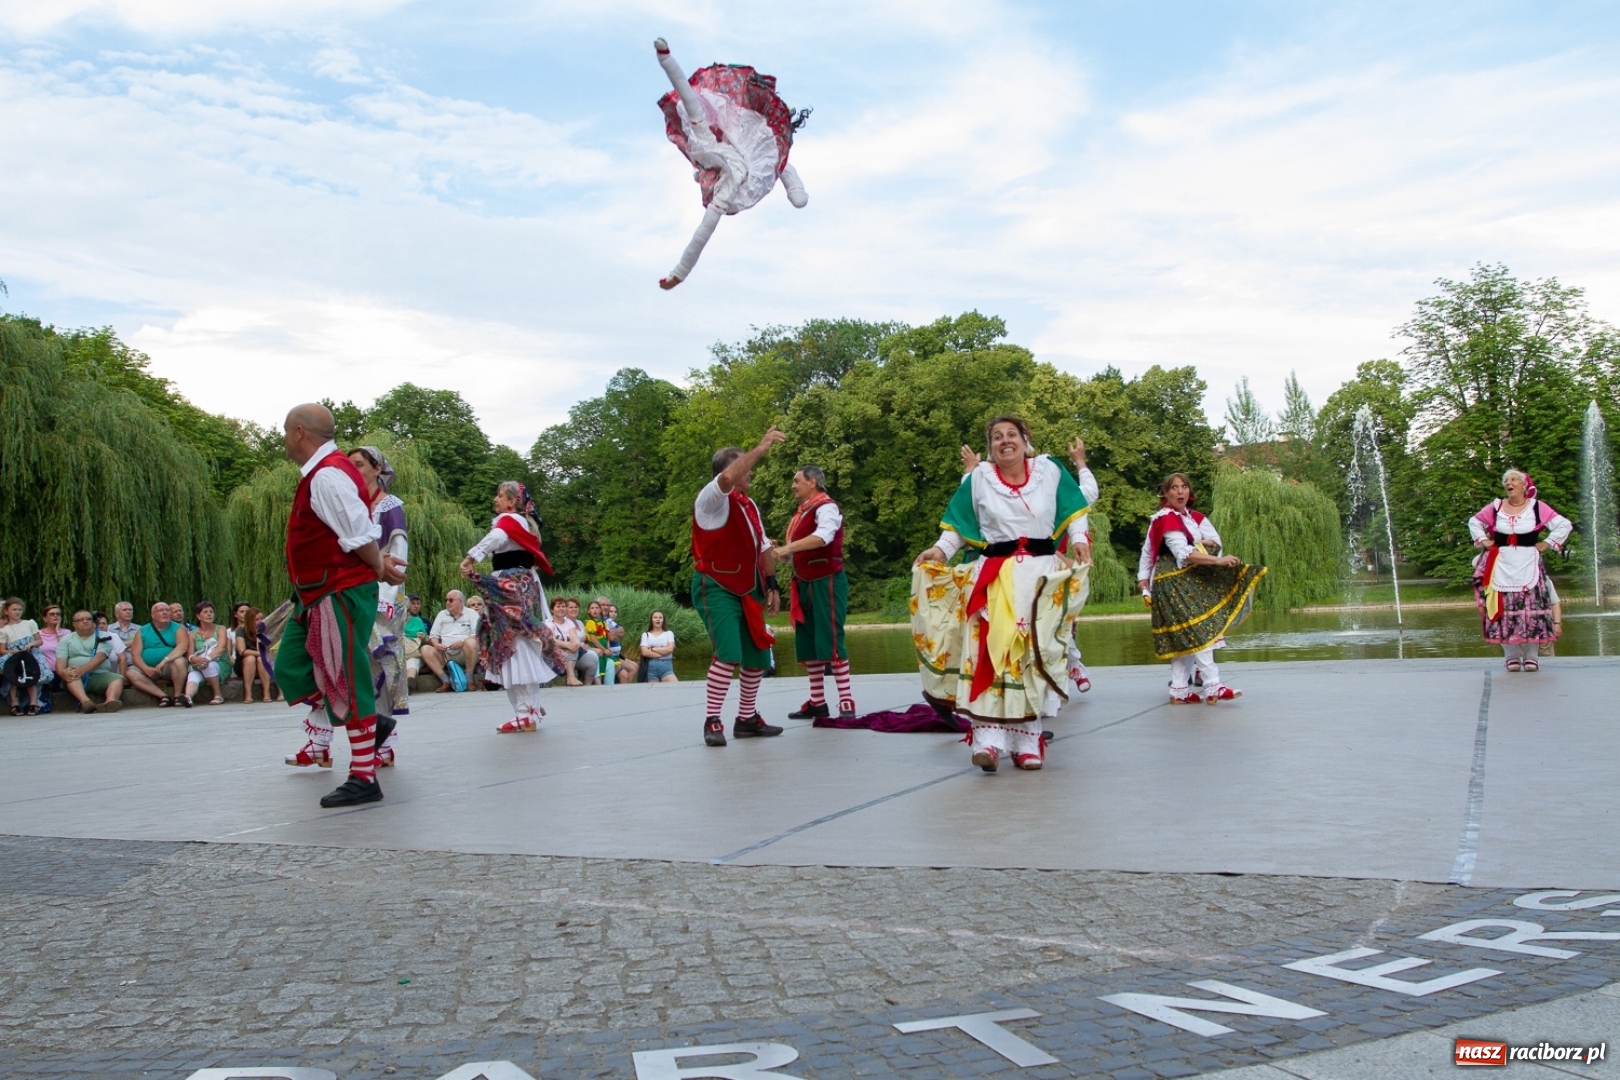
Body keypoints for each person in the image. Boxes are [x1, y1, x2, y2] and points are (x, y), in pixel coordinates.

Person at [913, 416, 1092, 772]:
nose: (1005, 441)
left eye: (1012, 434)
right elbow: (959, 526)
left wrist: (1079, 539)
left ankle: (1027, 742)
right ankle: (987, 742)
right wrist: (940, 550)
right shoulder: (979, 477)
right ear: (991, 446)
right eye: (997, 437)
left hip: (1040, 578)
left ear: (1026, 441)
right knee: (991, 656)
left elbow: (1075, 509)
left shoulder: (1049, 470)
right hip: (995, 577)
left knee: (1032, 658)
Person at [274, 402, 405, 808]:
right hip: (315, 594)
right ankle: (370, 721)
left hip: (338, 591)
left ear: (299, 432)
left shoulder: (328, 475)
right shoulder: (323, 472)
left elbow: (359, 532)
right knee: (291, 667)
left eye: (286, 431)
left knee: (345, 676)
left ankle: (364, 775)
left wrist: (379, 566)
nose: (284, 439)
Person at [691, 428, 786, 747]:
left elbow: (763, 545)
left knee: (758, 654)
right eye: (745, 464)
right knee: (728, 654)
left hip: (747, 587)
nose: (751, 469)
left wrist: (771, 583)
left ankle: (746, 719)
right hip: (716, 584)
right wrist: (761, 447)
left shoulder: (748, 504)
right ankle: (712, 719)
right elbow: (729, 478)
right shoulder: (710, 499)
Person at [1137, 473, 1265, 704]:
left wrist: (1143, 578)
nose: (1180, 491)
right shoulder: (1167, 518)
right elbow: (1182, 553)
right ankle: (1213, 685)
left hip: (1178, 580)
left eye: (1184, 486)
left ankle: (1179, 690)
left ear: (1189, 491)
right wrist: (1217, 560)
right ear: (1165, 493)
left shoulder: (1185, 517)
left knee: (1185, 636)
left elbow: (1150, 551)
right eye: (1174, 487)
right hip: (1174, 582)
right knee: (1200, 631)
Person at [461, 480, 563, 732]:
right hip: (519, 583)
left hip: (510, 586)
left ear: (511, 502)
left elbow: (496, 537)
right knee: (520, 642)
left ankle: (525, 712)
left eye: (499, 495)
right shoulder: (521, 523)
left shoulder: (508, 521)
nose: (495, 499)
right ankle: (530, 707)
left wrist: (471, 557)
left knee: (512, 644)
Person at [773, 465, 855, 720]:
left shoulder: (827, 507)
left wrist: (788, 548)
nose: (793, 485)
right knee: (807, 641)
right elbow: (794, 555)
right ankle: (817, 702)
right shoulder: (802, 513)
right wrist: (779, 551)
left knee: (831, 637)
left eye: (796, 480)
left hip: (826, 580)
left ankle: (846, 701)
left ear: (812, 482)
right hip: (804, 582)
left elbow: (823, 537)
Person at [1469, 469, 1571, 672]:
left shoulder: (1537, 507)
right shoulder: (1496, 507)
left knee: (1531, 610)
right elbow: (1475, 522)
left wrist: (1548, 543)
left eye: (1514, 479)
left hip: (1528, 562)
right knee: (1504, 610)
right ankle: (1511, 656)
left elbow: (1563, 525)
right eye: (1506, 480)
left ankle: (1532, 656)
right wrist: (1484, 540)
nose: (1509, 482)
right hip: (1502, 563)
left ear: (1524, 486)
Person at [349, 445, 409, 766]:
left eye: (359, 464)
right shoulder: (350, 504)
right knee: (352, 662)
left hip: (384, 594)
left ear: (377, 469)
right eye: (350, 465)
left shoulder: (389, 505)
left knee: (380, 662)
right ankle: (328, 740)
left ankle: (383, 743)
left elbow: (398, 551)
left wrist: (386, 597)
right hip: (354, 592)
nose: (353, 469)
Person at [56, 610, 125, 713]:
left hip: (100, 674)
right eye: (81, 620)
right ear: (74, 624)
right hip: (76, 677)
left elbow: (100, 657)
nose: (85, 621)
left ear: (93, 623)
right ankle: (86, 703)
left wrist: (82, 670)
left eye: (88, 619)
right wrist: (63, 672)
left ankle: (110, 702)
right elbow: (60, 660)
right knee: (72, 675)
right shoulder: (66, 639)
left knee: (117, 678)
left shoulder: (103, 636)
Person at [133, 600, 192, 707]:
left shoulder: (179, 628)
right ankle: (163, 696)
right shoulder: (142, 630)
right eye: (160, 610)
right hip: (148, 667)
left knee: (180, 662)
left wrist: (164, 661)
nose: (165, 613)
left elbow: (182, 647)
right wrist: (145, 668)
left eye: (167, 610)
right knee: (131, 673)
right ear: (153, 615)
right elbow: (135, 654)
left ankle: (177, 695)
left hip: (168, 666)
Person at [421, 589, 480, 691]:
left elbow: (476, 635)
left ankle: (469, 680)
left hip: (464, 652)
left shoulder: (471, 613)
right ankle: (445, 681)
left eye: (451, 600)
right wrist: (436, 644)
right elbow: (433, 635)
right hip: (445, 653)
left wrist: (462, 642)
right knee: (425, 649)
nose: (448, 602)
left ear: (460, 602)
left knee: (471, 642)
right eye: (446, 600)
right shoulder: (442, 614)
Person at [2, 597, 44, 715]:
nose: (17, 612)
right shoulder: (4, 630)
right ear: (6, 611)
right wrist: (14, 652)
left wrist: (32, 644)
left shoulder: (29, 624)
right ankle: (14, 703)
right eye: (14, 609)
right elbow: (2, 650)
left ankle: (33, 703)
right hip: (14, 655)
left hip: (29, 654)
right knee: (12, 675)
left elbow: (39, 641)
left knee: (31, 675)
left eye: (19, 610)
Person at [185, 602, 230, 705]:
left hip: (219, 663)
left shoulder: (221, 629)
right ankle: (188, 697)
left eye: (211, 612)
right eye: (205, 612)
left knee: (208, 666)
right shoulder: (192, 634)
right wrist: (197, 660)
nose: (209, 614)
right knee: (192, 675)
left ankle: (218, 695)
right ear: (198, 616)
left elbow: (221, 648)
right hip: (199, 664)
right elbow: (189, 654)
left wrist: (206, 659)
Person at [545, 597, 594, 686]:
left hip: (570, 653)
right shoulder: (548, 623)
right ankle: (571, 677)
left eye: (563, 606)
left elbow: (574, 637)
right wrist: (568, 645)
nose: (561, 609)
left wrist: (576, 644)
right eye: (558, 606)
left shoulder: (569, 623)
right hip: (554, 654)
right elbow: (552, 641)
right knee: (571, 650)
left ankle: (588, 685)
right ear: (552, 610)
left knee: (591, 658)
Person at [237, 606, 278, 703]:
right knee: (250, 658)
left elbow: (269, 649)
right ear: (249, 621)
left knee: (261, 660)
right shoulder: (241, 630)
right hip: (244, 663)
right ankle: (248, 693)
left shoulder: (267, 629)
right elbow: (242, 651)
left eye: (262, 618)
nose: (260, 621)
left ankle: (266, 692)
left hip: (262, 662)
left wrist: (259, 634)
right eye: (256, 619)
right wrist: (260, 653)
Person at [34, 604, 68, 713]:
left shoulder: (66, 633)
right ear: (45, 618)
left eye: (58, 614)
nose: (56, 616)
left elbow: (66, 649)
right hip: (44, 671)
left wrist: (58, 632)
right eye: (52, 614)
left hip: (61, 670)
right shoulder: (38, 635)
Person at [638, 609, 678, 682]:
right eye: (655, 617)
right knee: (653, 689)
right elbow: (645, 652)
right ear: (651, 620)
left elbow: (670, 649)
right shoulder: (646, 635)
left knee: (675, 686)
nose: (658, 619)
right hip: (651, 670)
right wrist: (664, 652)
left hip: (666, 667)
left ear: (663, 620)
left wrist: (653, 649)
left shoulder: (669, 633)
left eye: (660, 617)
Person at [604, 602, 637, 683]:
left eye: (615, 612)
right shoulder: (606, 622)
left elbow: (623, 632)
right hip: (612, 656)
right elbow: (612, 638)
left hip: (618, 655)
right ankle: (625, 687)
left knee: (636, 665)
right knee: (633, 669)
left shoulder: (614, 624)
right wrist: (618, 634)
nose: (613, 614)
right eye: (611, 611)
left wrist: (615, 633)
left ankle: (625, 685)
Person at [402, 595, 426, 678]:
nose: (416, 606)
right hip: (400, 651)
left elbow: (427, 640)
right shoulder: (398, 619)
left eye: (418, 603)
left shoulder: (420, 621)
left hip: (414, 652)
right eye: (413, 603)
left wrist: (424, 638)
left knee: (412, 662)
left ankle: (410, 681)